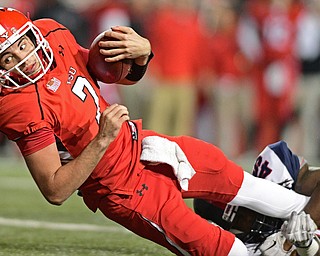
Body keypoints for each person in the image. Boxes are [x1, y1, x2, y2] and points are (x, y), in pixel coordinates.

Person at [0, 7, 312, 256]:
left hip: (141, 144)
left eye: (21, 45)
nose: (21, 60)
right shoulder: (18, 105)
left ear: (32, 33)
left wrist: (141, 52)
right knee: (225, 250)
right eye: (8, 58)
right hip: (121, 189)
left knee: (242, 182)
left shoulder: (53, 33)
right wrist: (101, 140)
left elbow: (103, 69)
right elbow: (55, 190)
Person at [194, 140, 320, 255]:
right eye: (240, 219)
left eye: (246, 208)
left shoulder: (273, 171)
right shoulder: (244, 249)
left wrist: (291, 238)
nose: (252, 217)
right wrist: (305, 247)